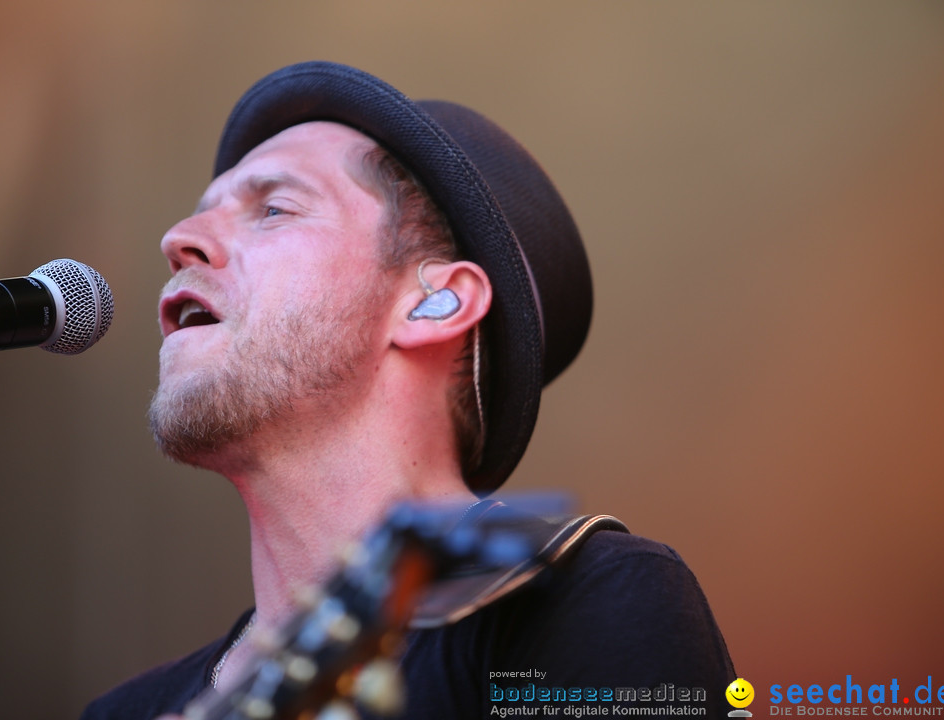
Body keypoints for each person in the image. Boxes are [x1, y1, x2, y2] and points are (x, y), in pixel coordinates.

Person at [81, 61, 734, 720]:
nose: (177, 240)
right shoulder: (122, 712)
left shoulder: (575, 604)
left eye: (273, 208)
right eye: (200, 214)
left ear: (436, 303)